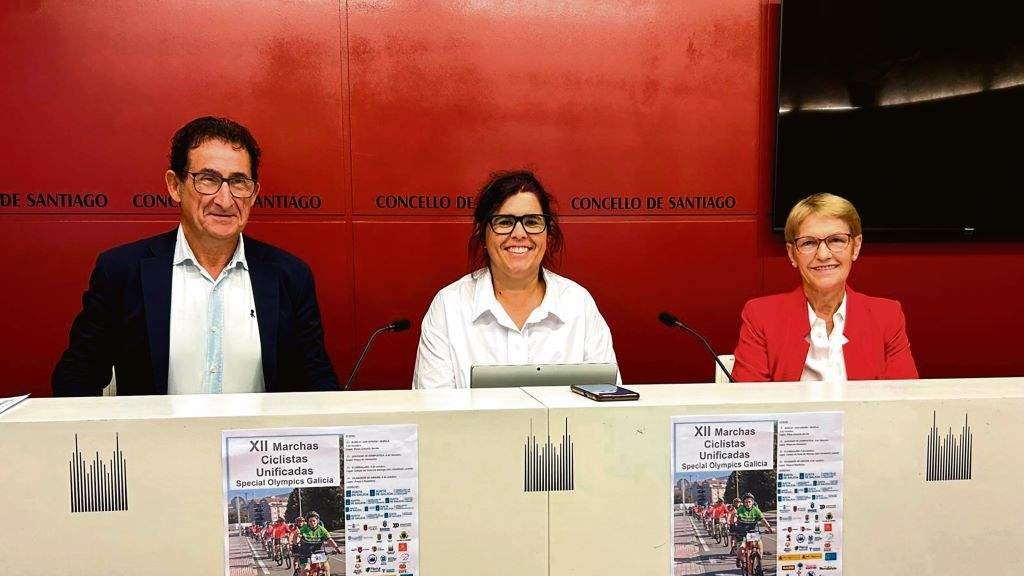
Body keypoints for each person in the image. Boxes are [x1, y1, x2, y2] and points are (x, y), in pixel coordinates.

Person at [52, 116, 339, 396]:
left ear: (253, 194)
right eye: (208, 179)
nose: (225, 200)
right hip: (157, 443)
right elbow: (77, 376)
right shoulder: (121, 271)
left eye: (239, 182)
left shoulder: (289, 276)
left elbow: (318, 382)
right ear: (175, 186)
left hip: (254, 442)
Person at [413, 170, 618, 389]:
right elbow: (434, 411)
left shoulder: (578, 303)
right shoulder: (449, 305)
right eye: (504, 222)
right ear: (482, 234)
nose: (519, 233)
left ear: (548, 234)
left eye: (532, 222)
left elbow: (607, 407)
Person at [732, 193, 919, 382]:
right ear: (792, 254)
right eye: (809, 243)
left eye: (836, 240)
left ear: (856, 246)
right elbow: (750, 405)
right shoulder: (761, 316)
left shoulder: (887, 316)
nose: (823, 254)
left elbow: (904, 403)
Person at [733, 493, 773, 568]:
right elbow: (735, 517)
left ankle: (759, 561)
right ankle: (739, 558)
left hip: (753, 531)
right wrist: (734, 519)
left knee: (759, 544)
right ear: (743, 503)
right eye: (746, 502)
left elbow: (763, 520)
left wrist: (769, 528)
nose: (748, 504)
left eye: (749, 502)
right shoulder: (740, 509)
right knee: (741, 550)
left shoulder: (756, 510)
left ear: (752, 502)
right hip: (742, 532)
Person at [297, 511, 341, 575]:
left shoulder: (322, 529)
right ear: (308, 522)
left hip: (319, 552)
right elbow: (297, 539)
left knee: (326, 569)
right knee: (305, 572)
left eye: (314, 521)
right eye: (310, 521)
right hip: (306, 554)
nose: (312, 523)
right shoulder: (303, 529)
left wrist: (336, 548)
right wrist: (296, 537)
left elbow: (329, 540)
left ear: (317, 521)